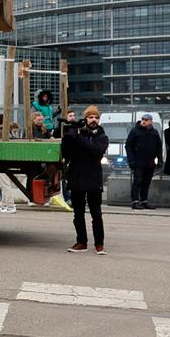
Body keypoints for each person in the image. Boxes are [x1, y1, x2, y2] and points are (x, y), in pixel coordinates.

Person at [61, 105, 110, 254]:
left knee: (96, 214)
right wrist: (69, 134)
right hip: (77, 177)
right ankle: (81, 241)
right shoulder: (77, 134)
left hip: (93, 179)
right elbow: (66, 152)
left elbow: (95, 151)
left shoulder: (102, 137)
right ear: (86, 119)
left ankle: (99, 244)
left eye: (96, 117)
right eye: (90, 117)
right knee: (78, 214)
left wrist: (78, 136)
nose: (93, 120)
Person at [126, 114, 162, 209]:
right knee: (137, 181)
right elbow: (128, 145)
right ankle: (135, 201)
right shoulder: (135, 131)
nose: (144, 121)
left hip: (150, 162)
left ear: (151, 121)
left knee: (146, 182)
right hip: (138, 161)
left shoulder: (154, 132)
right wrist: (131, 160)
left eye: (146, 120)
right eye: (142, 119)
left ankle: (144, 200)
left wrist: (160, 160)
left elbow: (159, 147)